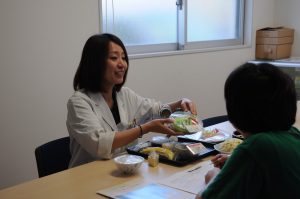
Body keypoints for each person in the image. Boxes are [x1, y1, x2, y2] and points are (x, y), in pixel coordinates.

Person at [66, 33, 198, 168]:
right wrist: (144, 129)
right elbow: (100, 144)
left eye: (123, 58)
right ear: (95, 63)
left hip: (126, 170)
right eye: (114, 58)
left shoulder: (124, 94)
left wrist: (179, 103)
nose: (122, 64)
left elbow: (156, 110)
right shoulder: (79, 103)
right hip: (89, 174)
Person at [196, 62, 300, 199]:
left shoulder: (258, 145)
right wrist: (237, 160)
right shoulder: (293, 133)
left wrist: (213, 176)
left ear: (235, 112)